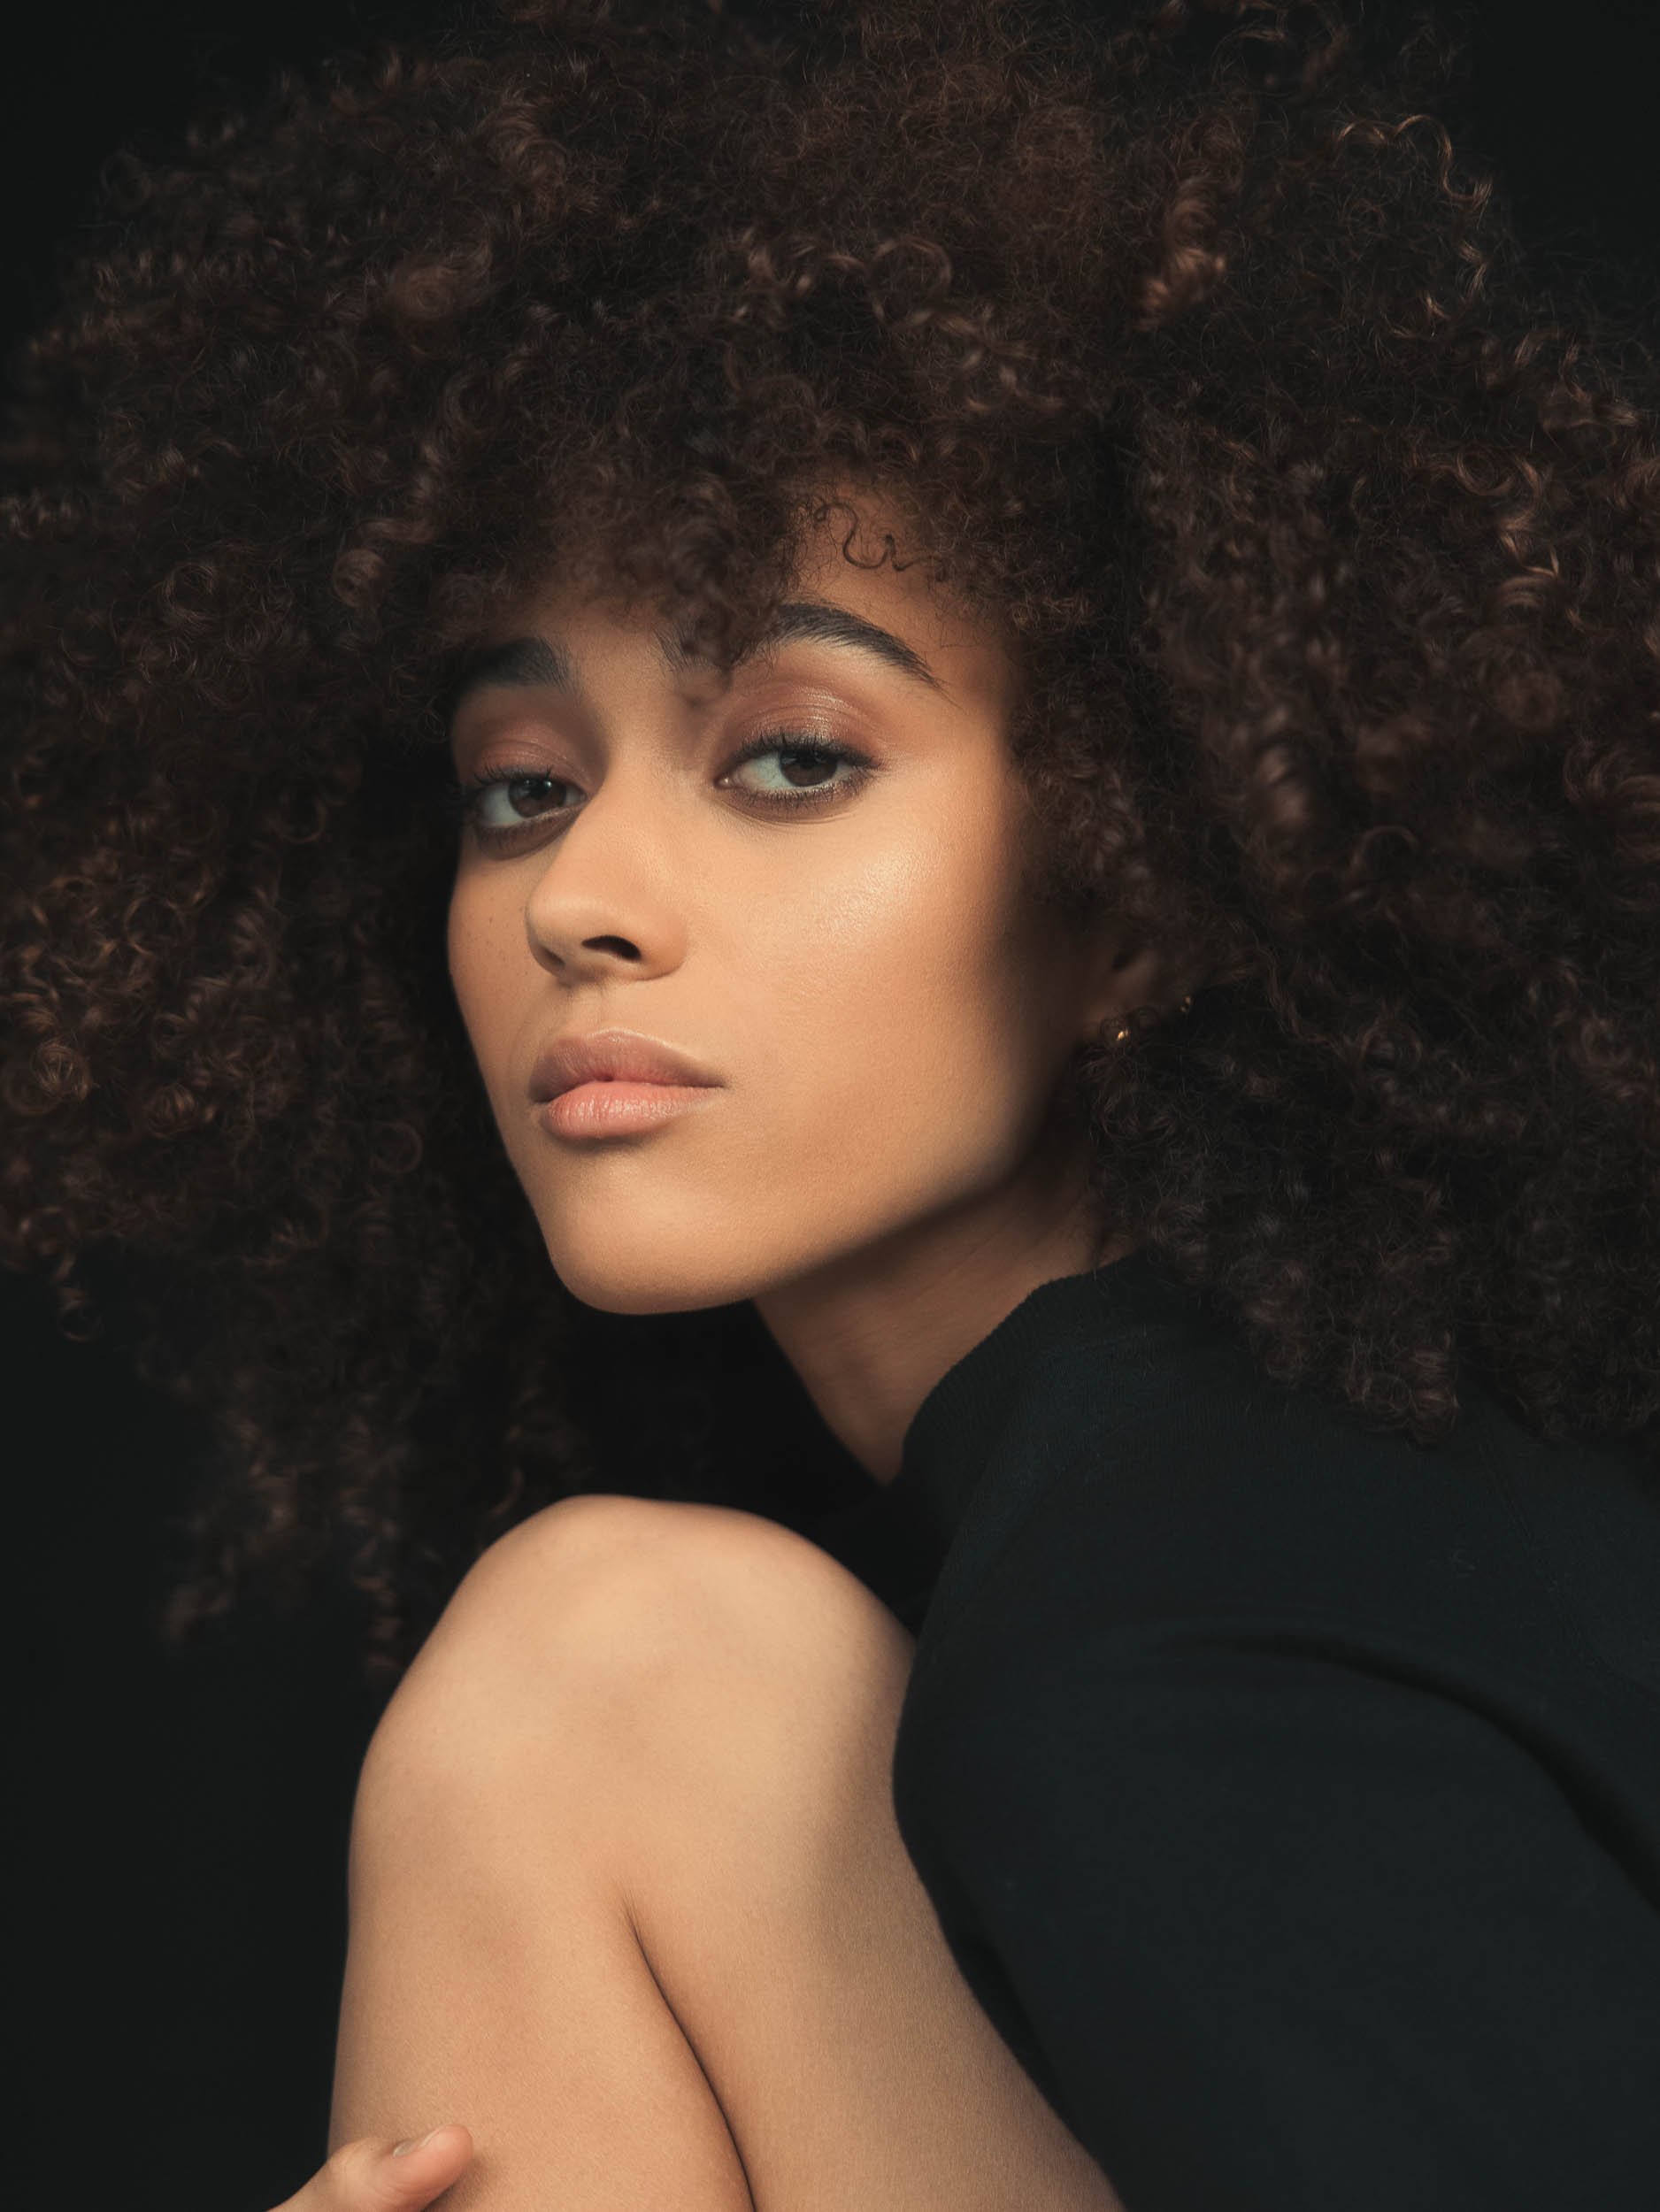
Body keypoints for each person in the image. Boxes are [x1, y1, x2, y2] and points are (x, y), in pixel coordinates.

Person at [3, 1, 1657, 2208]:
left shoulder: (1169, 1635)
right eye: (520, 787)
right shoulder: (1131, 1519)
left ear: (1136, 897)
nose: (578, 897)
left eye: (791, 755)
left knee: (595, 1668)